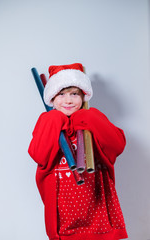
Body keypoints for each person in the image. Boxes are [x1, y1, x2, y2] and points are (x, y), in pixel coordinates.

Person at [28, 63, 128, 240]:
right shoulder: (47, 120)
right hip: (64, 213)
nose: (68, 100)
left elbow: (117, 145)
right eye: (61, 94)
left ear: (83, 96)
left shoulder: (92, 117)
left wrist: (89, 118)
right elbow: (39, 155)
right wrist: (54, 120)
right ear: (52, 97)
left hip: (98, 209)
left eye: (74, 94)